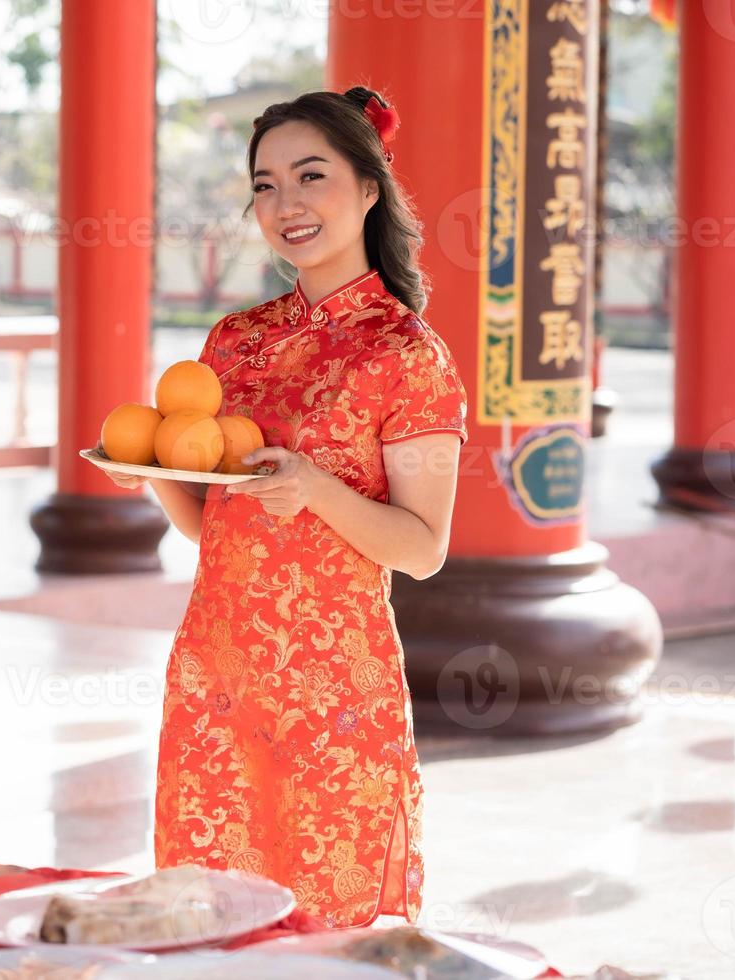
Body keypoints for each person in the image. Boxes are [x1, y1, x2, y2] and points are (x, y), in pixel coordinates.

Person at [110, 87, 469, 928]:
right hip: (215, 674)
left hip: (332, 693)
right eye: (265, 184)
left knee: (320, 935)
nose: (286, 204)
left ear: (370, 187)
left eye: (311, 176)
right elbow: (215, 527)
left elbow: (422, 550)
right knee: (209, 924)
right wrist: (154, 472)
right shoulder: (234, 342)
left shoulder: (406, 355)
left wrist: (315, 487)